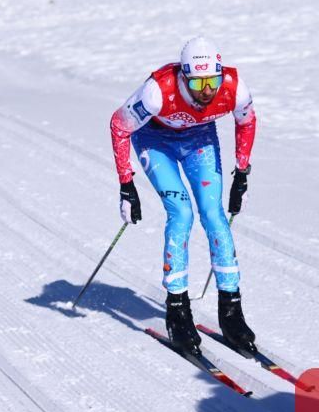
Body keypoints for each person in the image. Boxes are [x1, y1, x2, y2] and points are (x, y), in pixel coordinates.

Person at [109, 37, 257, 354]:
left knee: (214, 214)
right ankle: (177, 310)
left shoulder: (234, 87)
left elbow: (246, 122)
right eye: (198, 83)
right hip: (155, 141)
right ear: (183, 76)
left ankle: (231, 311)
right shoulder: (157, 91)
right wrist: (126, 184)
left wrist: (242, 173)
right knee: (182, 213)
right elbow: (119, 126)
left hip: (199, 140)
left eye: (213, 80)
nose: (207, 90)